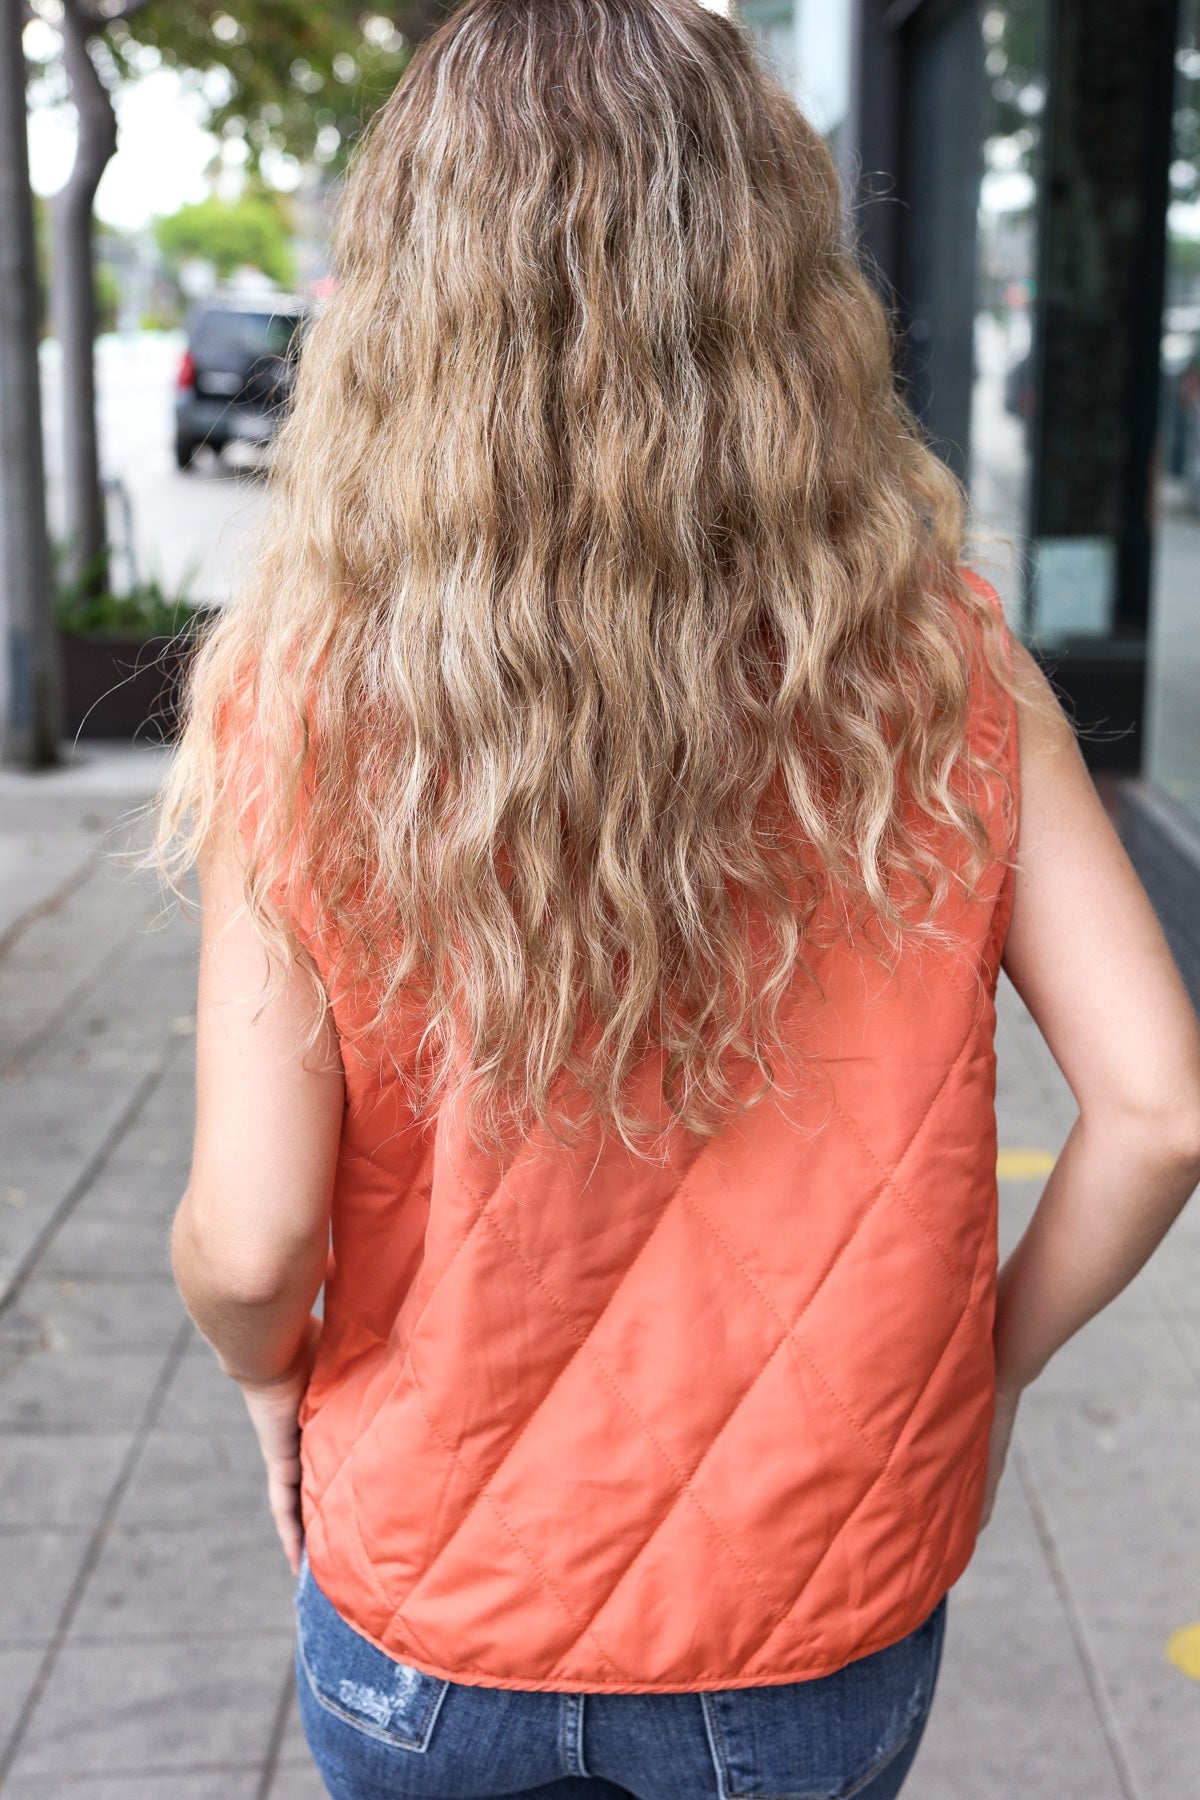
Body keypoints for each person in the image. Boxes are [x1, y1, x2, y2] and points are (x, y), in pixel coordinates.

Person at [149, 3, 1200, 1796]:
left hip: (431, 1612)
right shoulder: (946, 673)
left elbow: (251, 1246)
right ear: (782, 291)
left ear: (407, 305)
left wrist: (272, 1386)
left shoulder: (302, 704)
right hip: (811, 1620)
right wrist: (990, 1371)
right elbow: (1162, 1109)